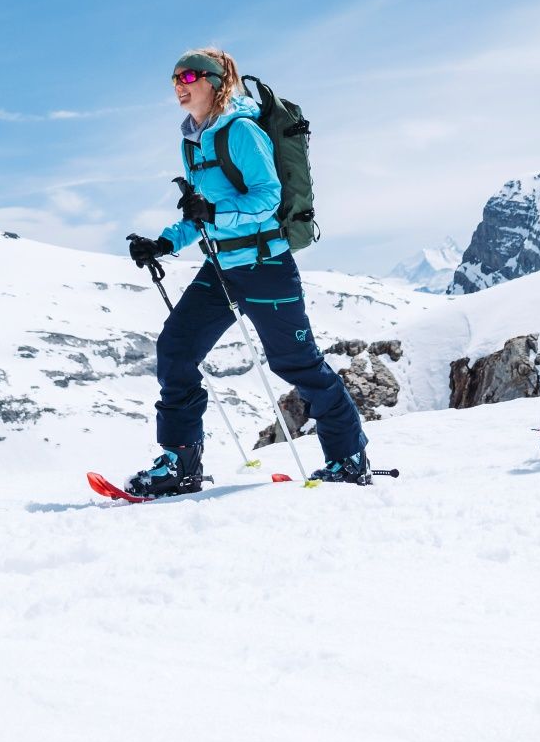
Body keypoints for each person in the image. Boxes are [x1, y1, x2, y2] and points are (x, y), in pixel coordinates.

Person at [122, 49, 370, 495]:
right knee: (176, 349)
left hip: (265, 265)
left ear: (216, 82)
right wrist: (163, 243)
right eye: (175, 77)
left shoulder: (241, 132)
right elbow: (199, 215)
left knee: (295, 364)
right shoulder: (191, 141)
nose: (181, 83)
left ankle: (348, 458)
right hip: (220, 267)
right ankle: (181, 463)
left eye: (191, 75)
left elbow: (267, 198)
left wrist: (214, 210)